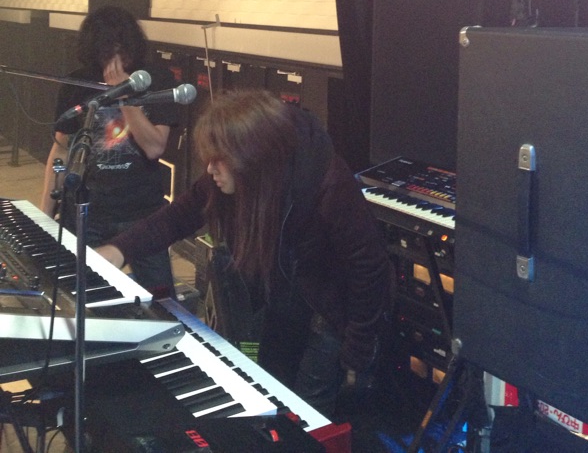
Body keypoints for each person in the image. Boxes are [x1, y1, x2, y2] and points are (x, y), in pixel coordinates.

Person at [97, 89, 393, 418]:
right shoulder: (239, 174)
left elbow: (370, 267)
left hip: (331, 312)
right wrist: (119, 248)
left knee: (310, 411)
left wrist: (357, 352)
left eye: (218, 160)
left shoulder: (328, 182)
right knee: (274, 395)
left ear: (253, 158)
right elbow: (179, 215)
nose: (210, 170)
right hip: (285, 300)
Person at [40, 5, 179, 297]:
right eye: (107, 50)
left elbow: (154, 147)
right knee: (82, 295)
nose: (115, 58)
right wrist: (45, 214)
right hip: (86, 210)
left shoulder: (156, 80)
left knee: (160, 298)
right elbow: (61, 150)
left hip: (141, 213)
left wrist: (124, 95)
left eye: (121, 48)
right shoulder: (77, 84)